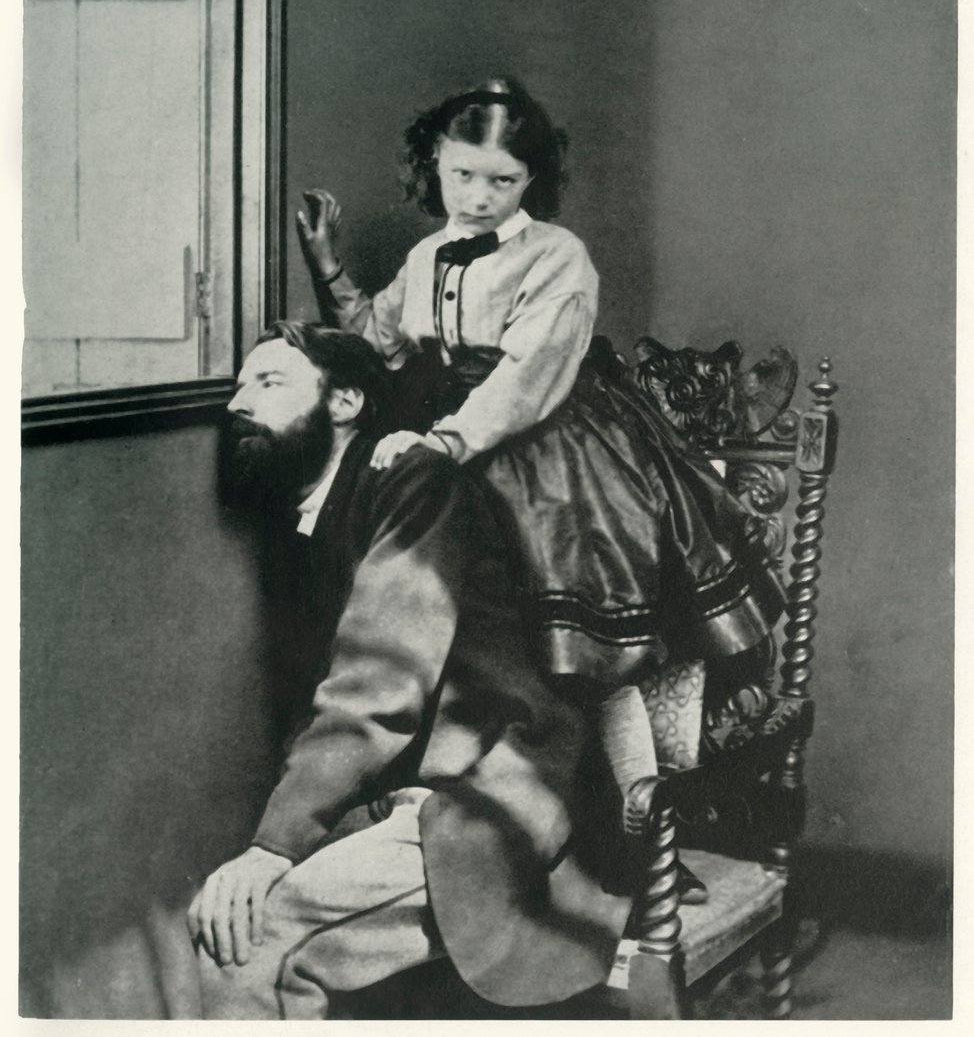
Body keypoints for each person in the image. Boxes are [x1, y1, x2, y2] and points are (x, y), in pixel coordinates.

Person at [297, 79, 785, 712]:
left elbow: (529, 373)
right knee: (440, 611)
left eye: (503, 180)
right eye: (462, 174)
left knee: (573, 632)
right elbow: (374, 343)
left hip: (550, 442)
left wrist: (444, 443)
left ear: (531, 179)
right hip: (448, 429)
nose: (478, 197)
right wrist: (327, 265)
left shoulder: (558, 255)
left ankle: (604, 754)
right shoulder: (426, 256)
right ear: (435, 162)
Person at [188, 321, 631, 1019]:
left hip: (494, 783)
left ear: (344, 402)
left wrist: (273, 847)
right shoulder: (309, 517)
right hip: (407, 794)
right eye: (238, 388)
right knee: (238, 932)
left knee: (244, 940)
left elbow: (382, 677)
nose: (238, 404)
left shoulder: (412, 481)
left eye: (268, 382)